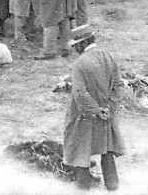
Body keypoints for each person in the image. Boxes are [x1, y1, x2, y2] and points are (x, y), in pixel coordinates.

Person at [63, 25, 125, 191]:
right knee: (107, 149)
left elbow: (80, 94)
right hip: (106, 113)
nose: (75, 49)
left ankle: (83, 189)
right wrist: (108, 108)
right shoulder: (109, 57)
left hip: (84, 115)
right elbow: (119, 86)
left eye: (76, 46)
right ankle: (113, 187)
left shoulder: (79, 64)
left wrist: (95, 111)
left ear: (82, 44)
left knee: (79, 150)